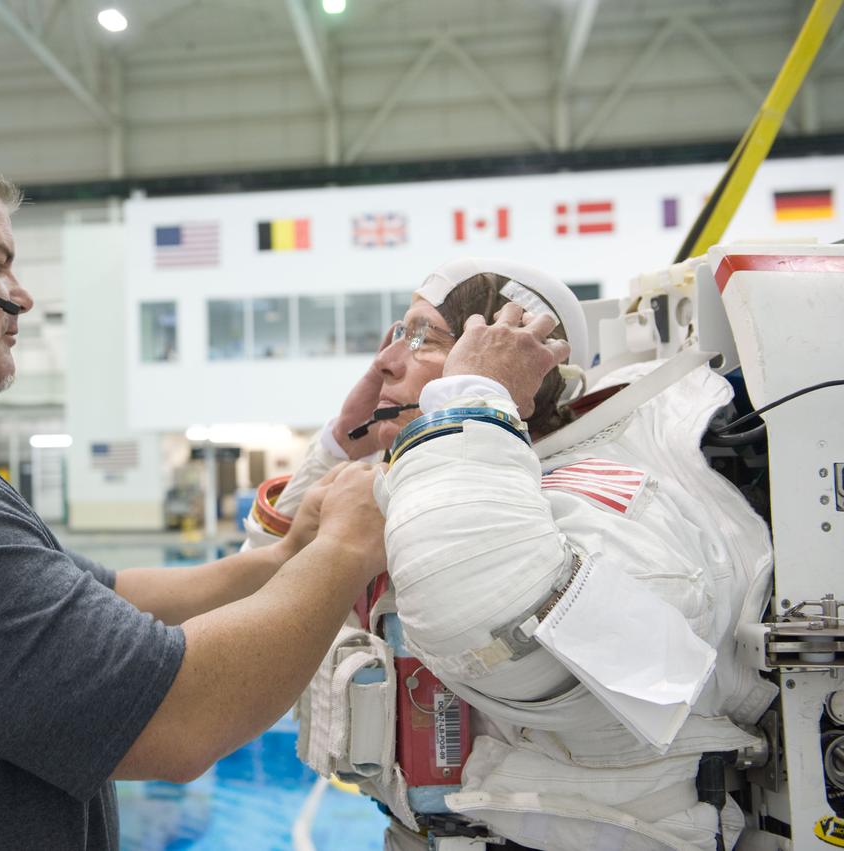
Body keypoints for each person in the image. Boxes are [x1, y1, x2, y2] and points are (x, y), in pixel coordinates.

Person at [0, 143, 388, 850]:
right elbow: (180, 720)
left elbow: (117, 596)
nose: (20, 292)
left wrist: (287, 553)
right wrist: (346, 550)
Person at [248, 258, 774, 851]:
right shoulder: (437, 489)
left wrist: (473, 396)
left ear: (514, 365)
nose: (385, 361)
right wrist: (336, 448)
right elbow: (258, 611)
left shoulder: (606, 496)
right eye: (398, 333)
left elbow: (480, 609)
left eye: (423, 337)